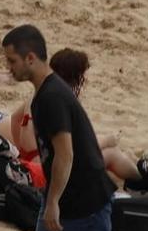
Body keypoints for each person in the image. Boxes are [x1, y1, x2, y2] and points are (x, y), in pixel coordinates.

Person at [1, 24, 116, 231]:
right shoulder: (44, 94)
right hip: (64, 193)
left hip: (82, 199)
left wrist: (53, 202)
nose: (8, 68)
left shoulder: (51, 97)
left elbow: (66, 155)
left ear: (31, 58)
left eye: (12, 61)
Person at [9, 47, 139, 189]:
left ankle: (134, 174)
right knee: (111, 154)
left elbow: (15, 118)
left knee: (104, 161)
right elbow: (73, 149)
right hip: (47, 173)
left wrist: (21, 150)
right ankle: (144, 179)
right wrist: (107, 141)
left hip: (30, 160)